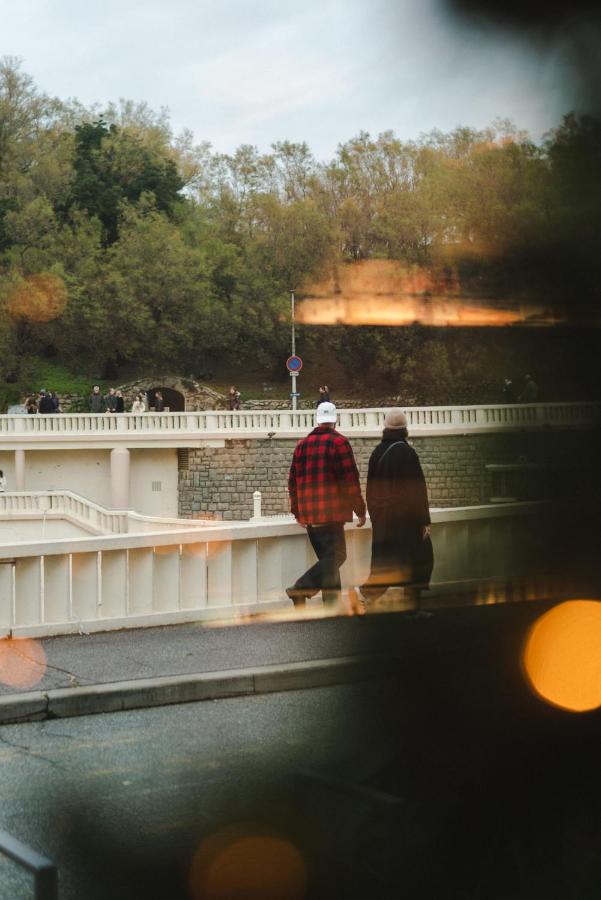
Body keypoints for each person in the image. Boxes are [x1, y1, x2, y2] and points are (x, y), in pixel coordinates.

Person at [349, 408, 433, 613]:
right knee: (419, 561)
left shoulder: (377, 452)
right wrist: (424, 520)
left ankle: (365, 595)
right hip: (406, 520)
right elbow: (416, 489)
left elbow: (370, 489)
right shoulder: (407, 453)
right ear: (405, 429)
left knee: (385, 564)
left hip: (383, 520)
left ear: (385, 428)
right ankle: (410, 608)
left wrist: (376, 516)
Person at [287, 401, 366, 609]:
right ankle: (300, 589)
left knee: (328, 561)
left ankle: (331, 605)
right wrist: (360, 510)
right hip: (331, 514)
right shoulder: (339, 443)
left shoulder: (302, 445)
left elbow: (292, 482)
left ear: (317, 420)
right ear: (335, 420)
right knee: (337, 556)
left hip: (310, 517)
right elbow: (350, 481)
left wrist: (297, 512)